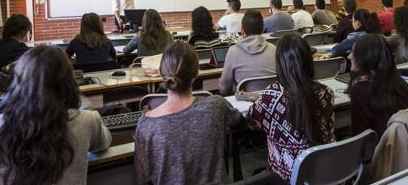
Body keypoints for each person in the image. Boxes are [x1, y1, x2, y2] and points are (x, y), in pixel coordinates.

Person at [0, 46, 111, 184]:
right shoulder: (87, 121)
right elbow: (104, 142)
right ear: (68, 82)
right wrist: (84, 104)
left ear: (19, 83)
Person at [135, 42, 242, 185]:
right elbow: (240, 122)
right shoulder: (217, 106)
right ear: (197, 73)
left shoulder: (146, 126)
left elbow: (143, 179)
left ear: (161, 74)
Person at [247, 34, 335, 181]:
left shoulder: (271, 96)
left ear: (280, 63)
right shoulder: (326, 92)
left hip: (286, 177)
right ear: (309, 60)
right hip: (325, 171)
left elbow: (252, 121)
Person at [349, 34, 408, 136]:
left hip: (379, 149)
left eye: (354, 52)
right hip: (404, 144)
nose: (349, 56)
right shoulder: (400, 83)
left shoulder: (359, 90)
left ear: (367, 57)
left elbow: (360, 134)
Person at [219, 10, 276, 95]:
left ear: (242, 31)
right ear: (263, 30)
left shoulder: (233, 52)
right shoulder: (274, 49)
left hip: (244, 105)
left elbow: (224, 88)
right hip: (271, 102)